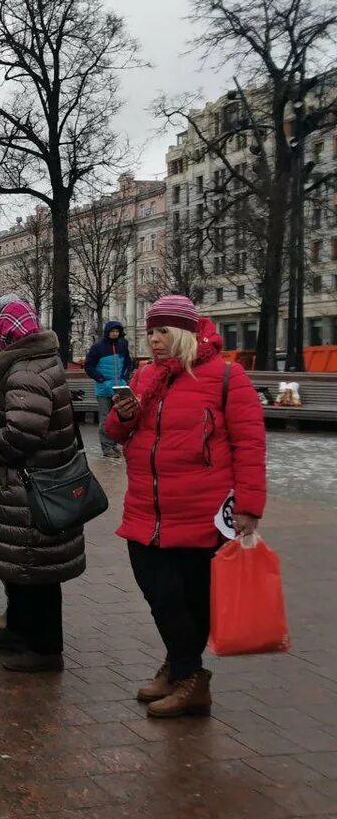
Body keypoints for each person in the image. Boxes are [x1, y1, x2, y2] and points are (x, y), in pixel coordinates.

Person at [105, 296, 266, 718]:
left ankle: (190, 678)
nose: (154, 340)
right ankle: (181, 668)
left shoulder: (226, 377)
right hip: (145, 508)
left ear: (184, 334)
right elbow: (115, 433)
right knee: (158, 591)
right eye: (151, 331)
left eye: (163, 332)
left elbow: (250, 445)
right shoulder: (144, 377)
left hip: (201, 512)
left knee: (188, 598)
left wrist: (249, 507)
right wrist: (124, 416)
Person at [0, 297, 85, 672]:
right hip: (25, 489)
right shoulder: (34, 363)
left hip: (30, 490)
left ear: (5, 334)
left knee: (36, 573)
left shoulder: (25, 371)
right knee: (23, 568)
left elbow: (19, 439)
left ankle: (45, 649)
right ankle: (19, 630)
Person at [84, 320, 133, 459]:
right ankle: (107, 447)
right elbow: (89, 366)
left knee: (118, 418)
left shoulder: (123, 345)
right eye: (112, 331)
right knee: (105, 418)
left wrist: (124, 377)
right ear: (107, 332)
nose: (115, 334)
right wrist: (101, 379)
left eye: (117, 332)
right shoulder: (97, 347)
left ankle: (114, 445)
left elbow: (128, 363)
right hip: (104, 389)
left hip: (120, 388)